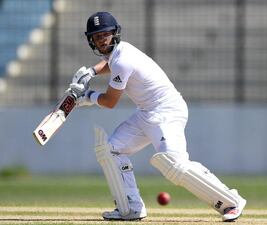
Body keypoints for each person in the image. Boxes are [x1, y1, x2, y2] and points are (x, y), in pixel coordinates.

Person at [69, 11, 247, 222]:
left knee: (174, 164)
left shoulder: (123, 60)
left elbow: (110, 101)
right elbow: (110, 63)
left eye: (105, 34)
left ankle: (231, 202)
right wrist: (91, 72)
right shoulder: (120, 53)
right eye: (97, 37)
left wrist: (87, 97)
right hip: (147, 113)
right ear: (91, 40)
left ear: (115, 33)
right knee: (110, 150)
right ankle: (130, 208)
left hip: (166, 112)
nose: (101, 40)